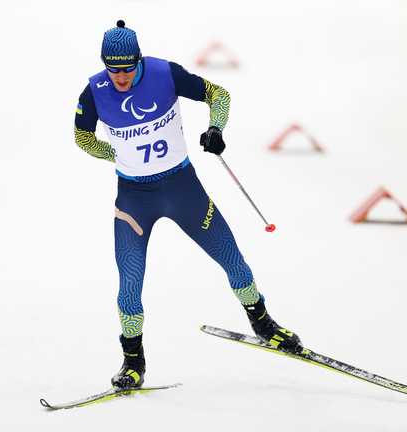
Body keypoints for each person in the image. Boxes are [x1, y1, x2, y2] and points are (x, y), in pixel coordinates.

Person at [74, 20, 302, 389]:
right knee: (130, 282)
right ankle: (133, 362)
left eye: (128, 68)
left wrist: (216, 129)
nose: (120, 77)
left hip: (183, 189)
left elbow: (219, 94)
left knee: (232, 258)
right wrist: (113, 154)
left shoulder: (165, 74)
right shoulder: (94, 90)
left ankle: (263, 324)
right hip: (134, 200)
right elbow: (81, 136)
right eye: (112, 69)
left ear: (139, 59)